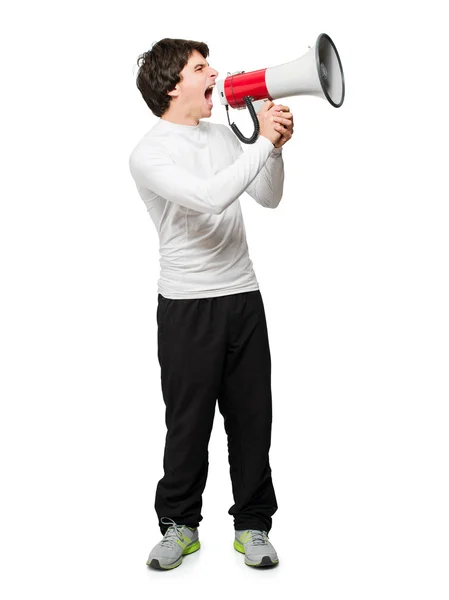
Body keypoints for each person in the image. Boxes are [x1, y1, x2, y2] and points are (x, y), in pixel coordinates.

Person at [128, 38, 294, 570]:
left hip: (242, 296)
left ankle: (253, 525)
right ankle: (179, 525)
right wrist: (260, 142)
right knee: (188, 422)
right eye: (202, 67)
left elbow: (268, 197)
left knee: (252, 418)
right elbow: (208, 197)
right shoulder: (148, 152)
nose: (215, 73)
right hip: (187, 305)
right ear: (173, 85)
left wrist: (275, 146)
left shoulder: (225, 136)